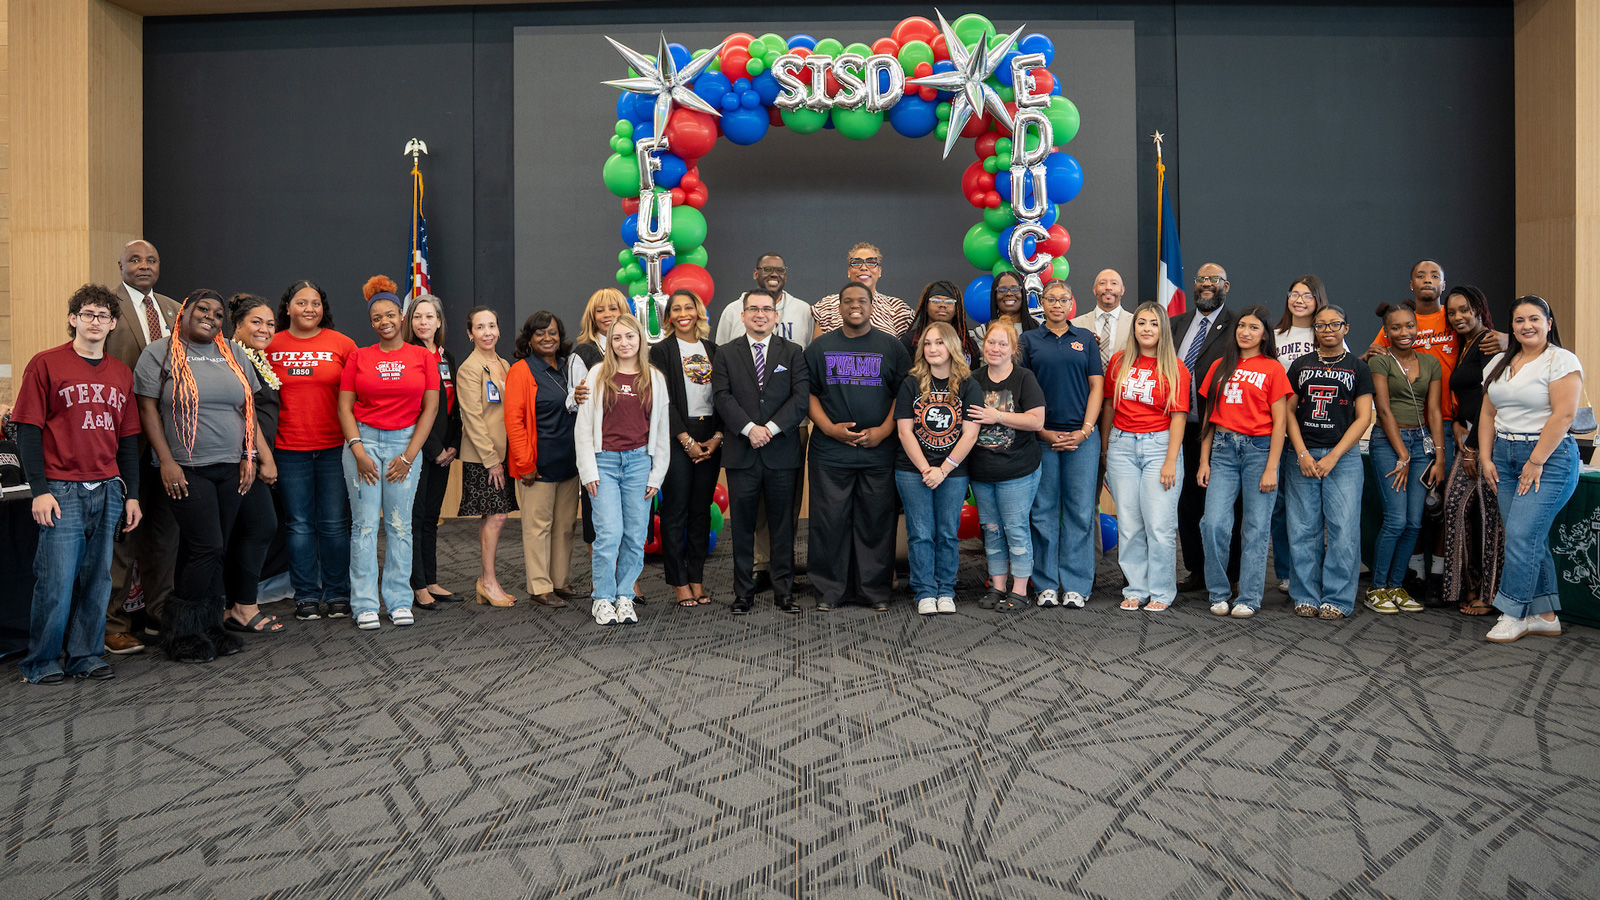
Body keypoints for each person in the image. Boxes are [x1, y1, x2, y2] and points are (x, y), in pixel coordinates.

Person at [14, 284, 143, 683]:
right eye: (87, 314)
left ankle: (85, 654)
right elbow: (28, 432)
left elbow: (127, 441)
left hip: (107, 488)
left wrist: (133, 495)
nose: (94, 322)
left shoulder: (121, 374)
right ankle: (42, 661)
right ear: (73, 319)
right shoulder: (46, 364)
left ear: (113, 324)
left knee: (98, 579)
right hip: (60, 488)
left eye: (103, 316)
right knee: (55, 581)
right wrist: (39, 490)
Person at [135, 289, 263, 662]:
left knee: (210, 549)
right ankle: (181, 633)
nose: (210, 317)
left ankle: (210, 627)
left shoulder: (233, 353)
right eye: (202, 309)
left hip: (230, 465)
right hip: (187, 468)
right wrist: (167, 460)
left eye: (218, 314)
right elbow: (148, 410)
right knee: (207, 546)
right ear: (184, 313)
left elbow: (248, 409)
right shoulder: (159, 353)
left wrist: (248, 456)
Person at [1478, 295, 1584, 643]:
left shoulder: (1561, 360)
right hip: (1505, 456)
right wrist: (1485, 456)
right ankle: (1546, 614)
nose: (1527, 326)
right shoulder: (1497, 363)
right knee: (1527, 537)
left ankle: (1514, 612)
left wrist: (1535, 461)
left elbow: (1564, 415)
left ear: (1549, 323)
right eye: (1520, 320)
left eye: (1535, 319)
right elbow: (1488, 414)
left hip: (1548, 457)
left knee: (1522, 536)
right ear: (1512, 326)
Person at [337, 276, 440, 630]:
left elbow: (430, 409)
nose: (384, 322)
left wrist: (410, 455)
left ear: (402, 316)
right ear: (371, 322)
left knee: (400, 526)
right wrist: (358, 449)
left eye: (390, 315)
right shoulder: (358, 357)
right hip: (362, 443)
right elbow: (345, 407)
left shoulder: (423, 357)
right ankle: (364, 602)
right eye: (376, 317)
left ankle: (398, 599)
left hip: (404, 445)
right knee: (364, 527)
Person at [806, 282, 912, 611]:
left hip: (878, 451)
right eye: (848, 301)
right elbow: (807, 393)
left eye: (862, 300)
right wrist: (827, 429)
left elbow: (904, 394)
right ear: (839, 307)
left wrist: (884, 430)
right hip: (830, 452)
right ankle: (830, 591)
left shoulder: (891, 346)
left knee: (876, 522)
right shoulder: (819, 347)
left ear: (871, 305)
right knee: (829, 522)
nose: (855, 305)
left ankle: (874, 591)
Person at [712, 255, 813, 591]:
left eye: (766, 310)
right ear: (743, 315)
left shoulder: (794, 351)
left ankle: (784, 588)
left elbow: (800, 399)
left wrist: (768, 429)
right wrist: (749, 429)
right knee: (743, 524)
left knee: (783, 522)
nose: (760, 315)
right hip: (742, 449)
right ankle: (744, 589)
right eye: (753, 310)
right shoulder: (726, 352)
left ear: (775, 315)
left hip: (781, 447)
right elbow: (722, 395)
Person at [102, 240, 180, 655]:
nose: (143, 266)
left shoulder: (173, 308)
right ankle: (113, 622)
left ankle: (158, 613)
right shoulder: (105, 306)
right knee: (122, 530)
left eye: (151, 259)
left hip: (169, 436)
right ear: (120, 266)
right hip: (123, 435)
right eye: (134, 260)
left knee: (164, 531)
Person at [266, 280, 357, 621]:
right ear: (287, 307)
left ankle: (337, 593)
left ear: (324, 308)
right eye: (301, 302)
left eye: (315, 303)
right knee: (300, 525)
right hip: (288, 449)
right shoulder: (270, 344)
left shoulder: (343, 344)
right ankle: (305, 594)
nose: (309, 309)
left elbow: (357, 395)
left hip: (335, 448)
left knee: (334, 524)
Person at [575, 313, 670, 626]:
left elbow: (661, 429)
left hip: (640, 463)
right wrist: (588, 471)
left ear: (640, 339)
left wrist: (657, 474)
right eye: (617, 338)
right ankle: (602, 598)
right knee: (609, 534)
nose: (624, 343)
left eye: (630, 336)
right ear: (609, 343)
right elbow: (583, 427)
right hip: (604, 463)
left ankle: (625, 596)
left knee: (634, 535)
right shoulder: (597, 374)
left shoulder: (654, 378)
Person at [1196, 304, 1291, 618]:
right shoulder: (1220, 366)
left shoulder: (1273, 369)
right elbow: (1209, 417)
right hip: (1222, 450)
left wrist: (1272, 467)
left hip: (1259, 451)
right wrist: (1204, 460)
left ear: (1264, 334)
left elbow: (1281, 422)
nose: (1245, 332)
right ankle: (1220, 592)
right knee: (1212, 524)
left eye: (1253, 327)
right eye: (1241, 326)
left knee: (1255, 527)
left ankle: (1249, 597)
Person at [1282, 305, 1373, 620]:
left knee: (1343, 530)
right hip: (1302, 457)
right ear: (1314, 330)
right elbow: (1287, 413)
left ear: (1346, 328)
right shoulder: (1299, 365)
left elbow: (1363, 418)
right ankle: (1305, 594)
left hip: (1343, 457)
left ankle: (1337, 597)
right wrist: (1302, 452)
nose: (1328, 330)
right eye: (1321, 325)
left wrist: (1334, 455)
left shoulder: (1358, 368)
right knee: (1303, 528)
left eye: (1335, 324)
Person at [1098, 301, 1189, 612]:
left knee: (1160, 525)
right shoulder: (1119, 361)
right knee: (1129, 524)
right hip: (1122, 446)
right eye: (1141, 323)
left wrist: (1170, 461)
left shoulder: (1176, 368)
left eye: (1153, 323)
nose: (1147, 329)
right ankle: (1136, 588)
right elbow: (1109, 405)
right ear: (1133, 328)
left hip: (1159, 447)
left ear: (1163, 328)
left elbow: (1178, 417)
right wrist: (1106, 445)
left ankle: (1162, 591)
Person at [1019, 280, 1103, 608]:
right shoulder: (1028, 340)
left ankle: (1077, 585)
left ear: (1072, 303)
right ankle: (1046, 584)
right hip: (1042, 438)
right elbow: (1022, 389)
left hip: (1082, 439)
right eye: (1051, 299)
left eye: (1063, 299)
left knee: (1080, 512)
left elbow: (1097, 387)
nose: (1057, 304)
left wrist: (1084, 431)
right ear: (1042, 302)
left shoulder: (1085, 339)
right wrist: (1042, 431)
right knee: (1043, 512)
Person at [896, 322, 982, 616]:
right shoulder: (911, 383)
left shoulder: (969, 385)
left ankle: (945, 589)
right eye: (928, 344)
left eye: (939, 343)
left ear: (952, 348)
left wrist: (943, 470)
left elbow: (970, 434)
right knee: (920, 532)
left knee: (946, 532)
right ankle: (924, 591)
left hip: (953, 472)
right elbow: (905, 431)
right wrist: (925, 469)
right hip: (913, 470)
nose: (933, 349)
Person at [1365, 301, 1446, 615]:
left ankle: (1397, 586)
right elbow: (1383, 411)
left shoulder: (1430, 363)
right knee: (1396, 520)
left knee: (1414, 523)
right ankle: (1377, 588)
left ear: (1417, 327)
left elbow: (1436, 412)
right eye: (1396, 327)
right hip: (1389, 442)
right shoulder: (1380, 362)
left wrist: (1439, 456)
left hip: (1421, 442)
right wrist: (1401, 453)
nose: (1403, 332)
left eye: (1409, 326)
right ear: (1386, 331)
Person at [649, 289, 724, 608]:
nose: (682, 313)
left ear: (698, 312)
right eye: (675, 308)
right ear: (669, 317)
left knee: (700, 512)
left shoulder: (713, 349)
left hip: (711, 435)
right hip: (677, 437)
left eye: (688, 307)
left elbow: (724, 395)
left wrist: (718, 435)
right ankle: (678, 581)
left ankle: (697, 578)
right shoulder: (661, 352)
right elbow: (661, 400)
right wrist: (686, 440)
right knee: (676, 511)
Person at [966, 320, 1045, 612]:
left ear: (1013, 349)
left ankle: (1020, 590)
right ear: (982, 345)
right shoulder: (972, 379)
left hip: (1018, 470)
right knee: (992, 529)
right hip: (983, 471)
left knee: (1016, 528)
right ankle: (998, 587)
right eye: (991, 343)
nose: (995, 349)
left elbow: (1037, 421)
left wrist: (996, 416)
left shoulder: (1024, 378)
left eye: (1002, 344)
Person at [1171, 264, 1241, 594]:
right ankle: (1197, 569)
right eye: (1201, 280)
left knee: (1227, 503)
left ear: (1226, 285)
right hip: (1179, 426)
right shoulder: (1176, 324)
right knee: (1187, 500)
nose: (1207, 285)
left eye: (1214, 280)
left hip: (1222, 427)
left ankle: (1231, 572)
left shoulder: (1238, 326)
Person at [506, 311, 580, 608]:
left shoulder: (568, 367)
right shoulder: (522, 371)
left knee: (565, 527)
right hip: (537, 465)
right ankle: (539, 586)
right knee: (537, 527)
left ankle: (559, 582)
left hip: (570, 462)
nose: (547, 338)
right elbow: (514, 421)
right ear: (529, 339)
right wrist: (525, 464)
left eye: (552, 332)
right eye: (540, 333)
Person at [222, 294, 285, 635]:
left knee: (247, 530)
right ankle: (243, 607)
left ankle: (234, 604)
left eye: (270, 323)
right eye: (256, 323)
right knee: (261, 526)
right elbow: (245, 413)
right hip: (243, 459)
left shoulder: (257, 358)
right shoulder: (232, 357)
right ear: (238, 325)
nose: (265, 329)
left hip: (253, 457)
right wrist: (265, 458)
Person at [1440, 285, 1503, 614]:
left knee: (1488, 520)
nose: (1458, 317)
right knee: (1456, 509)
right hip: (1467, 438)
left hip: (1486, 443)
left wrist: (1475, 448)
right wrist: (1455, 425)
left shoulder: (1490, 342)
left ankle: (1489, 595)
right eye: (1452, 312)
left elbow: (1490, 400)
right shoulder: (1464, 345)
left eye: (1464, 309)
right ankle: (1466, 586)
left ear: (1479, 309)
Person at [1268, 275, 1329, 597]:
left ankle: (1312, 569)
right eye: (1294, 293)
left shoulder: (1327, 333)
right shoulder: (1275, 336)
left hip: (1315, 431)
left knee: (1311, 508)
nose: (1300, 300)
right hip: (1278, 429)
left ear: (1319, 300)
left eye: (1307, 295)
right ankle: (1286, 571)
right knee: (1279, 505)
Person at [456, 306, 519, 607]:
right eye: (479, 327)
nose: (487, 332)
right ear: (470, 333)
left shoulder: (504, 364)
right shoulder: (469, 368)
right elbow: (472, 419)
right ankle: (488, 581)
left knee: (491, 517)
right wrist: (492, 460)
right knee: (497, 516)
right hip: (485, 457)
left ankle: (486, 581)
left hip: (503, 454)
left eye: (491, 325)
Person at [403, 294, 462, 610]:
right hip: (419, 451)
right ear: (409, 323)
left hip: (444, 450)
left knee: (430, 518)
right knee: (414, 518)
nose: (423, 322)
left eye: (429, 317)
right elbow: (412, 410)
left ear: (439, 321)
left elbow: (453, 408)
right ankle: (417, 585)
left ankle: (431, 579)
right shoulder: (407, 356)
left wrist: (453, 445)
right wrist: (434, 448)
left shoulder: (446, 356)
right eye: (417, 317)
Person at [568, 288, 628, 552]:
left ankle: (630, 583)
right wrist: (575, 395)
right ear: (591, 316)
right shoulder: (583, 352)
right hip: (598, 449)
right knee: (599, 517)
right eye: (600, 310)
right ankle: (599, 581)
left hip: (633, 445)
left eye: (612, 308)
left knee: (631, 516)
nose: (606, 315)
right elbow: (573, 400)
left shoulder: (636, 349)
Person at [812, 243, 915, 338]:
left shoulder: (897, 309)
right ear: (849, 271)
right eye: (857, 263)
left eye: (871, 262)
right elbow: (818, 351)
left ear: (879, 271)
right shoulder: (827, 306)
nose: (864, 267)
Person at [714, 252, 815, 346]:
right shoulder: (733, 310)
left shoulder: (803, 310)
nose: (774, 274)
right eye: (767, 269)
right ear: (756, 274)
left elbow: (809, 354)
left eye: (780, 270)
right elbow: (721, 353)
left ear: (785, 276)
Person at [902, 280, 979, 365]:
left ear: (957, 309)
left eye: (949, 302)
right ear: (926, 306)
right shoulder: (910, 341)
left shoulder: (968, 344)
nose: (942, 305)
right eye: (936, 301)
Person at [1072, 269, 1133, 371]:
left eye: (1114, 283)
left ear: (1122, 290)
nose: (1108, 287)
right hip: (1086, 385)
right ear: (1094, 290)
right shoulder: (1076, 324)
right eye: (1102, 283)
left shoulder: (1135, 324)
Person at [971, 270, 1040, 348]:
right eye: (1002, 290)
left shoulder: (1041, 327)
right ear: (995, 296)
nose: (1009, 293)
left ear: (1023, 294)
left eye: (1015, 289)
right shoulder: (982, 333)